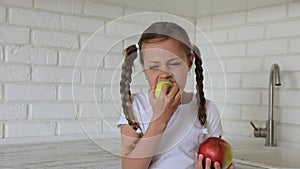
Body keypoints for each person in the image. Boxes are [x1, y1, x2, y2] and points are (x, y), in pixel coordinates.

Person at [117, 22, 234, 169]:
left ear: (189, 62)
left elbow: (215, 157)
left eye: (174, 63)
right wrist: (160, 118)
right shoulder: (135, 106)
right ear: (144, 69)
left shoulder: (207, 109)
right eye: (154, 66)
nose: (165, 73)